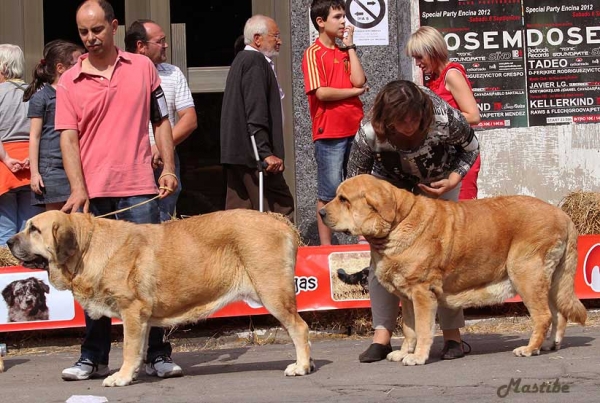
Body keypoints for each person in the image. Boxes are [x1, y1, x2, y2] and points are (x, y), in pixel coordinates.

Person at [55, 0, 181, 381]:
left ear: (113, 27)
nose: (90, 38)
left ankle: (158, 354)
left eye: (96, 30)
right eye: (83, 32)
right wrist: (78, 188)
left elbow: (161, 121)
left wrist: (169, 168)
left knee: (150, 278)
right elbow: (68, 139)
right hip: (92, 196)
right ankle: (93, 357)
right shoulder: (68, 81)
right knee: (89, 279)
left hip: (140, 188)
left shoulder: (142, 67)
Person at [347, 80, 479, 362]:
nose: (408, 125)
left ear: (424, 111)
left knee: (443, 259)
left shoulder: (443, 117)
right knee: (380, 261)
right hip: (390, 192)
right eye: (400, 120)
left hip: (438, 183)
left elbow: (471, 147)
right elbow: (355, 179)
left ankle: (452, 337)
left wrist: (453, 179)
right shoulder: (369, 130)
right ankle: (382, 337)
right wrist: (365, 221)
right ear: (386, 117)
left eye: (414, 118)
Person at [302, 0, 367, 245]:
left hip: (355, 128)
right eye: (337, 17)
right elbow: (321, 93)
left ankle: (362, 236)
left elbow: (359, 81)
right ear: (320, 22)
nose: (343, 22)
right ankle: (325, 247)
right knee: (328, 192)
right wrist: (353, 93)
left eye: (344, 17)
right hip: (329, 132)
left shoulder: (343, 51)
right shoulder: (313, 53)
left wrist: (350, 47)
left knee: (358, 187)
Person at [220, 15, 294, 220]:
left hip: (239, 154)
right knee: (280, 210)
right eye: (275, 36)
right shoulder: (254, 61)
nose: (279, 41)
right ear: (258, 39)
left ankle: (233, 252)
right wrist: (264, 152)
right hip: (253, 156)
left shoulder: (242, 60)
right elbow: (255, 110)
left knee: (241, 214)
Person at [124, 19, 197, 222]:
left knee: (163, 223)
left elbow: (189, 119)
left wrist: (160, 146)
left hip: (165, 162)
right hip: (128, 164)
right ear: (141, 46)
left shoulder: (172, 73)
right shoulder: (118, 74)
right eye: (160, 41)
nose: (166, 45)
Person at [407, 26, 481, 200]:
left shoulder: (452, 74)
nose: (417, 63)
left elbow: (474, 116)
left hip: (462, 156)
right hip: (445, 159)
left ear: (433, 51)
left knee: (465, 217)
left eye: (419, 57)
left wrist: (432, 123)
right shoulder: (434, 78)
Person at [23, 40, 84, 211]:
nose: (82, 67)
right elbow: (34, 137)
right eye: (76, 64)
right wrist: (34, 174)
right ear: (60, 68)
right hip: (52, 170)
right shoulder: (41, 97)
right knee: (55, 222)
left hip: (77, 165)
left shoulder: (79, 94)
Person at [0, 44, 44, 245]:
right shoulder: (37, 92)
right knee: (29, 230)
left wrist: (7, 159)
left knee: (4, 231)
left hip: (4, 167)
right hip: (31, 166)